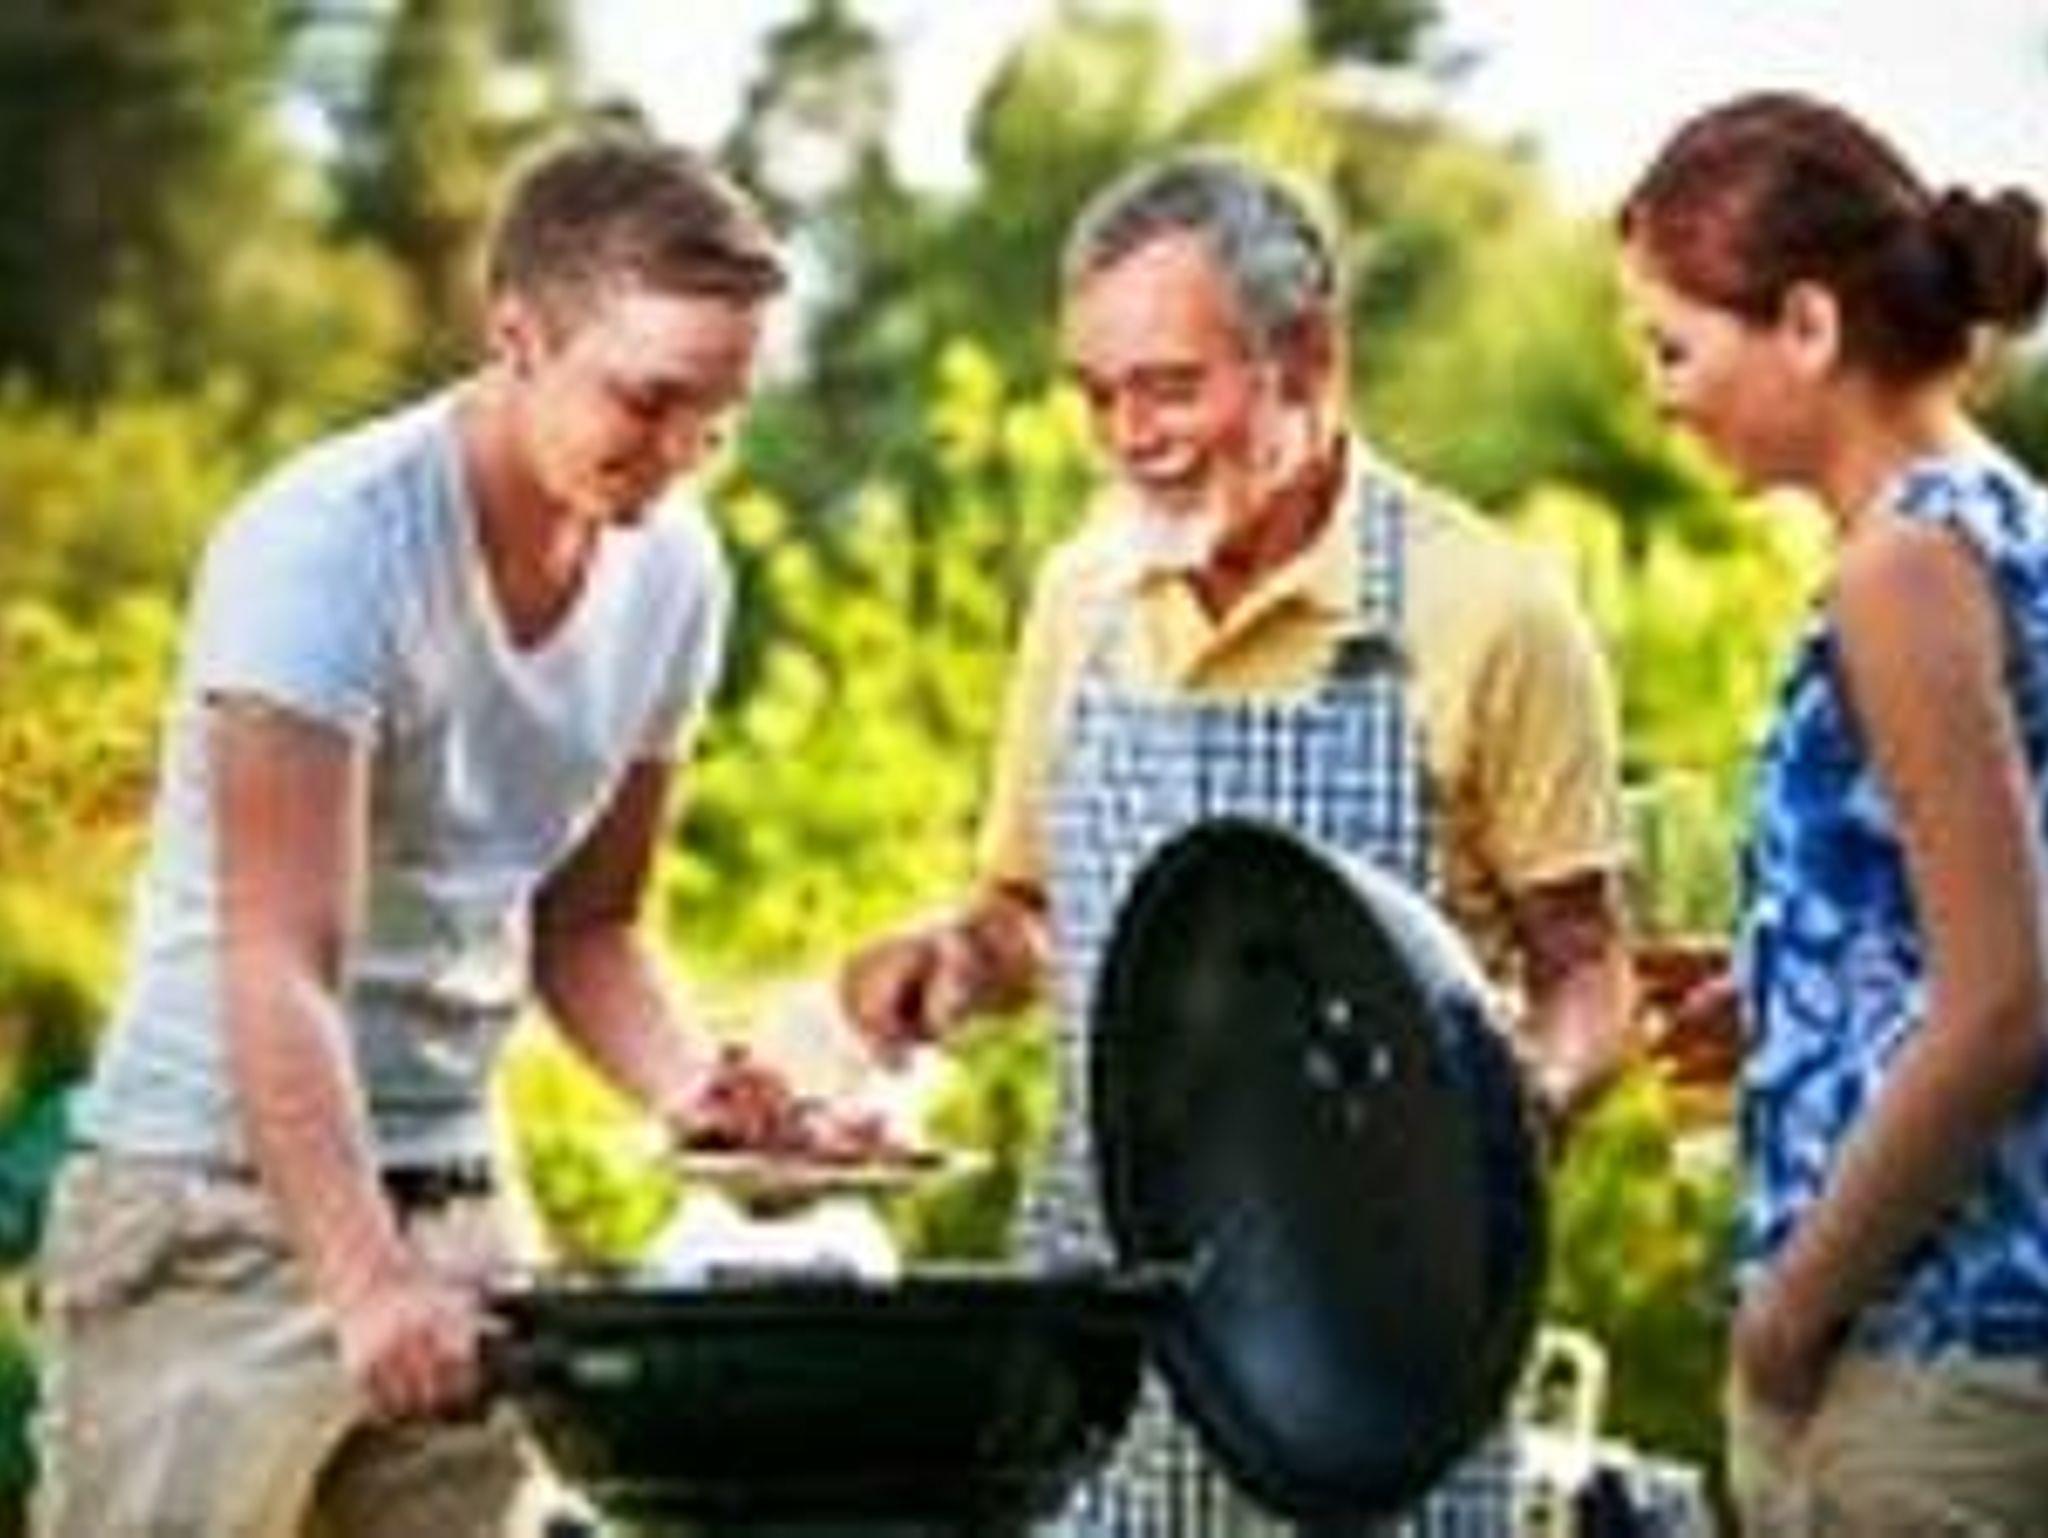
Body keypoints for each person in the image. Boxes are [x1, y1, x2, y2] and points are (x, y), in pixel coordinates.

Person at [841, 150, 1633, 1536]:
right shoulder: (1080, 595)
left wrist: (1529, 1102)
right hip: (1106, 1336)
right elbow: (1029, 914)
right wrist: (951, 963)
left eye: (1169, 386)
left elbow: (1589, 966)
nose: (1129, 436)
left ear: (1308, 355)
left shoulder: (1490, 610)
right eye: (1097, 395)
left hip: (1382, 1338)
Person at [33, 129, 802, 1538]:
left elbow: (592, 927)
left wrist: (697, 1092)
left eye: (721, 415)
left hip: (457, 1216)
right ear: (517, 334)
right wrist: (364, 1281)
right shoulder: (330, 547)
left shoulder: (677, 571)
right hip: (216, 1217)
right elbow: (279, 958)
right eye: (649, 400)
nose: (683, 455)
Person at [1617, 92, 2048, 1534]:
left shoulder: (1902, 568)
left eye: (1673, 347)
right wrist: (1786, 994)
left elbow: (2006, 1003)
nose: (1661, 395)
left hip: (1929, 1351)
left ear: (1806, 324)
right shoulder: (1998, 517)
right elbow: (1968, 931)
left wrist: (1786, 1316)